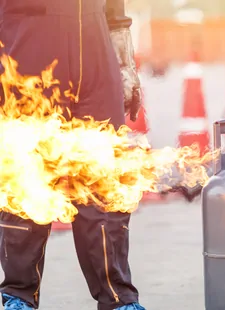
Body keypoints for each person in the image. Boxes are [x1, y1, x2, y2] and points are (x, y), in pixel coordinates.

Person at [0, 0, 145, 309]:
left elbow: (116, 13)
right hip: (27, 43)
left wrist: (125, 65)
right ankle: (18, 296)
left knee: (102, 181)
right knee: (29, 177)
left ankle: (118, 299)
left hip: (95, 45)